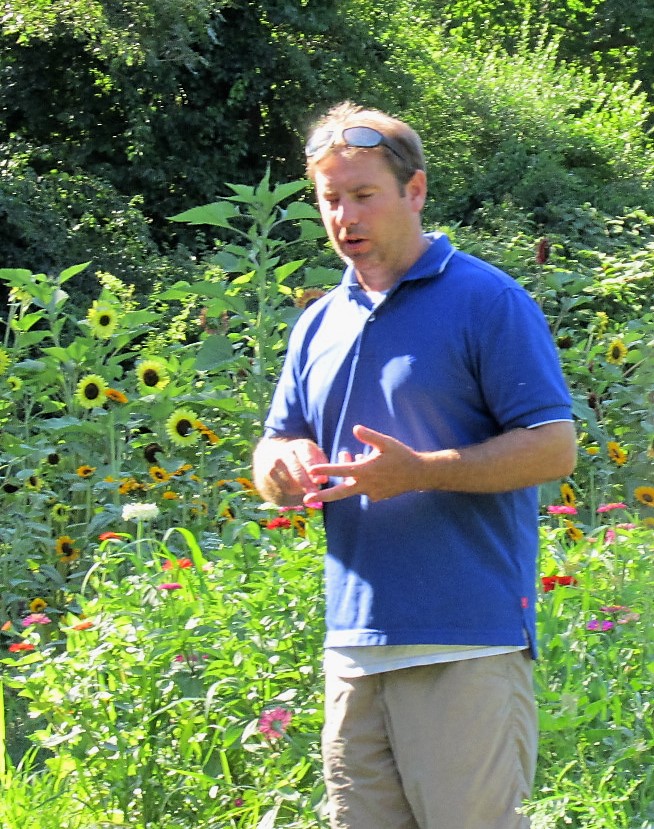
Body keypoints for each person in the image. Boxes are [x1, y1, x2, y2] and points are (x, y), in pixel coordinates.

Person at [252, 101, 577, 829]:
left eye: (363, 194)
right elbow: (273, 446)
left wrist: (420, 469)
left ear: (416, 191)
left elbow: (555, 446)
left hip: (465, 639)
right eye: (331, 199)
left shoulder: (487, 299)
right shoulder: (318, 322)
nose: (345, 216)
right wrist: (281, 466)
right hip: (354, 644)